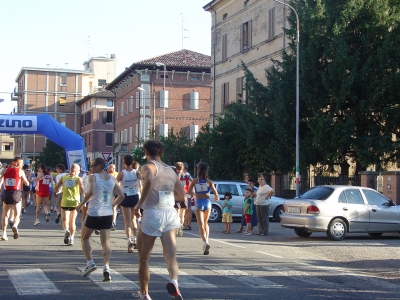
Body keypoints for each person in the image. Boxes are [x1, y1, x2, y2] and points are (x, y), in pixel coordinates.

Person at [133, 140, 185, 300]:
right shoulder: (171, 171)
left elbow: (148, 180)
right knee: (171, 256)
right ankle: (174, 282)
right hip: (169, 213)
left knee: (143, 259)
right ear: (161, 152)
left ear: (146, 152)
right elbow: (182, 196)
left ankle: (144, 294)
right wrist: (168, 197)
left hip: (152, 213)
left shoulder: (148, 167)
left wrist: (139, 204)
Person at [76, 158, 125, 281]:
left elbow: (91, 192)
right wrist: (112, 206)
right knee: (105, 242)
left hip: (94, 212)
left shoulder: (93, 177)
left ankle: (90, 262)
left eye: (92, 166)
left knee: (84, 237)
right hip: (107, 213)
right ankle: (106, 267)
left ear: (98, 166)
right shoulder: (112, 179)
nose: (90, 169)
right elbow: (122, 195)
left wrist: (81, 204)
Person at [188, 162, 219, 255]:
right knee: (206, 223)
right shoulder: (209, 182)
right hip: (207, 202)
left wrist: (193, 194)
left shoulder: (195, 181)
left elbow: (189, 191)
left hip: (198, 202)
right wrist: (216, 197)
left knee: (200, 224)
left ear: (198, 170)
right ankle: (207, 241)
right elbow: (216, 194)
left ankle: (205, 242)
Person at [116, 155, 142, 253]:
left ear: (124, 163)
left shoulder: (121, 174)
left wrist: (118, 195)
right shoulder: (137, 172)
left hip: (125, 197)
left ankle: (129, 242)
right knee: (133, 219)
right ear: (132, 163)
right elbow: (141, 185)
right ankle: (135, 239)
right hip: (135, 197)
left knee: (127, 221)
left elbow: (115, 184)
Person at [54, 163, 85, 245]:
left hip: (65, 202)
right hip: (75, 202)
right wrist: (84, 201)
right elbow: (82, 189)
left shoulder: (63, 178)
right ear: (75, 170)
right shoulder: (78, 178)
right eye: (79, 170)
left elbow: (56, 188)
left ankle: (66, 231)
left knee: (64, 220)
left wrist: (58, 190)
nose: (79, 172)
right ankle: (71, 238)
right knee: (72, 221)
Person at [1, 157, 29, 240]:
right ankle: (15, 225)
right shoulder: (20, 171)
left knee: (5, 215)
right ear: (16, 163)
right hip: (16, 193)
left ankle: (4, 234)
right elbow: (27, 183)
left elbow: (0, 178)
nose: (22, 165)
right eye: (21, 163)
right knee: (17, 214)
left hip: (7, 193)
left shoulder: (5, 170)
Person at [174, 162, 190, 236]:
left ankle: (176, 230)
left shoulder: (174, 175)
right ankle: (180, 229)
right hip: (184, 196)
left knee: (176, 214)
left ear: (176, 168)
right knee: (182, 214)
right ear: (183, 168)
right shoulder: (186, 175)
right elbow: (192, 181)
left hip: (176, 196)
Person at [107, 164, 119, 231]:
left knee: (113, 208)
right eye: (111, 168)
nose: (112, 169)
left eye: (113, 168)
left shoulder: (117, 174)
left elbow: (119, 184)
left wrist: (116, 194)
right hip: (107, 194)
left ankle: (113, 222)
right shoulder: (106, 175)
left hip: (114, 193)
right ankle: (108, 221)